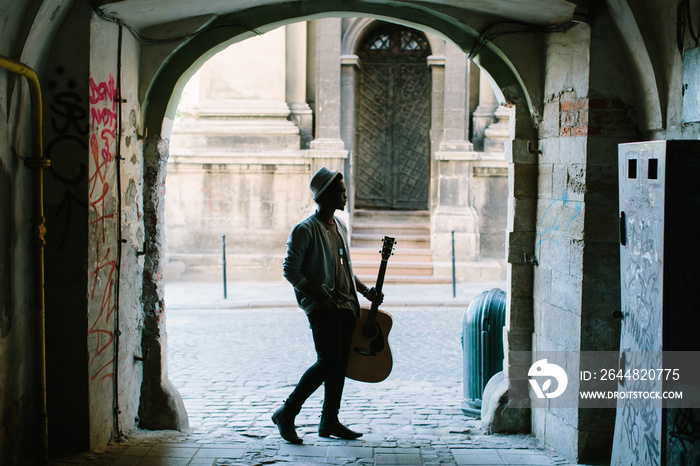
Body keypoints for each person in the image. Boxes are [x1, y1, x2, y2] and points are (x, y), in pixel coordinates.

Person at [273, 167, 383, 444]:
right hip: (323, 309)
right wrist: (318, 297)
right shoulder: (304, 230)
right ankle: (287, 412)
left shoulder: (340, 226)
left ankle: (329, 420)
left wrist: (365, 291)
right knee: (328, 362)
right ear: (325, 196)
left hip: (347, 307)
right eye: (340, 191)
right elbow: (290, 270)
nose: (345, 196)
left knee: (340, 364)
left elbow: (347, 269)